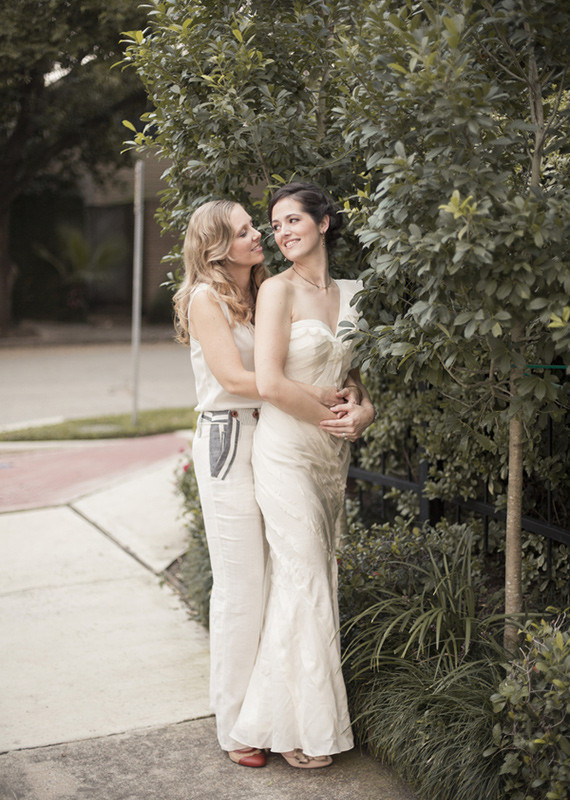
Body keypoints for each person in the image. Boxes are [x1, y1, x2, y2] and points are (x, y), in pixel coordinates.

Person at [173, 198, 370, 769]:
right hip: (229, 438)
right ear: (217, 246)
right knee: (240, 587)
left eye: (255, 226)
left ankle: (269, 711)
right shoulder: (206, 298)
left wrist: (351, 400)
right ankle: (235, 725)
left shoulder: (259, 290)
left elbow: (309, 367)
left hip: (272, 430)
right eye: (244, 231)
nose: (259, 234)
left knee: (276, 577)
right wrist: (320, 398)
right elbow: (241, 378)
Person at [230, 183, 375, 768]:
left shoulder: (356, 294)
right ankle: (297, 731)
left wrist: (363, 413)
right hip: (286, 451)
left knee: (310, 581)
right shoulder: (277, 291)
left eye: (293, 220)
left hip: (330, 457)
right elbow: (269, 383)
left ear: (324, 223)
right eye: (275, 225)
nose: (282, 232)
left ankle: (276, 720)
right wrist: (331, 418)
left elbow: (355, 380)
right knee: (306, 574)